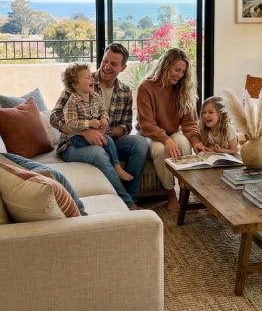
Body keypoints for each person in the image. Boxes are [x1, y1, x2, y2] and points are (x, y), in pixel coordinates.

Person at [50, 43, 148, 210]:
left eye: (113, 64)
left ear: (123, 68)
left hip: (107, 138)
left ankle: (130, 196)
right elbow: (54, 117)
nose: (107, 66)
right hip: (74, 143)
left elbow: (125, 127)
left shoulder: (124, 91)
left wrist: (104, 131)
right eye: (105, 61)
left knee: (140, 143)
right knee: (98, 153)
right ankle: (128, 204)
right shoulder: (81, 81)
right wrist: (85, 131)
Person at [136, 47, 205, 212]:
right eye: (176, 70)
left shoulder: (183, 89)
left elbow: (189, 124)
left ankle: (184, 193)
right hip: (149, 134)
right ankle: (171, 195)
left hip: (172, 132)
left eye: (183, 71)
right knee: (161, 150)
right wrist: (165, 139)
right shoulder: (146, 87)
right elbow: (147, 124)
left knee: (183, 142)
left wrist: (196, 142)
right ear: (165, 66)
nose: (179, 75)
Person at [59, 63, 135, 183]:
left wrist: (104, 120)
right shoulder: (72, 102)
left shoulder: (95, 96)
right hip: (75, 138)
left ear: (122, 67)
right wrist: (88, 125)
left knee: (109, 141)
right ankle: (121, 188)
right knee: (100, 149)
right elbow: (70, 122)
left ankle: (117, 168)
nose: (92, 79)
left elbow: (103, 111)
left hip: (100, 134)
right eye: (87, 78)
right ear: (75, 85)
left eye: (91, 77)